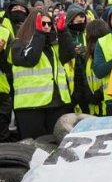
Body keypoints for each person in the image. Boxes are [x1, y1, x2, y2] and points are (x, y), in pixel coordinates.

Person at [11, 10, 75, 139]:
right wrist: (38, 34)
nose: (46, 26)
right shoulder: (18, 44)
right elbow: (30, 59)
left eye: (49, 23)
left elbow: (68, 54)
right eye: (42, 23)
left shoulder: (52, 46)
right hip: (31, 107)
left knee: (56, 146)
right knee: (36, 148)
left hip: (57, 104)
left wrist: (63, 32)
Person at [64, 4, 90, 114]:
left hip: (86, 79)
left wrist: (86, 50)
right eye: (78, 16)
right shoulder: (64, 35)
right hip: (70, 81)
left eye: (83, 16)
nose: (81, 18)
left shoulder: (86, 34)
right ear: (71, 19)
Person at [83, 20, 110, 116]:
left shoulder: (105, 52)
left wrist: (97, 95)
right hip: (94, 108)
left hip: (106, 105)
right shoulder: (88, 56)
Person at [0, 25, 13, 142]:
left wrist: (1, 53)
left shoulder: (5, 32)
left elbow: (10, 67)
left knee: (3, 135)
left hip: (3, 92)